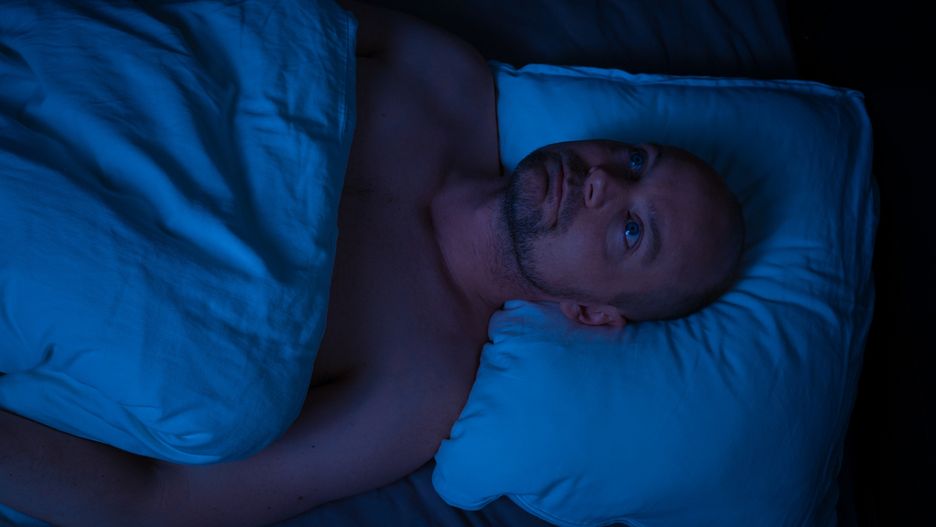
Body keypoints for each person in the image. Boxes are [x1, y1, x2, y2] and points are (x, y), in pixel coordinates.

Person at [0, 1, 743, 525]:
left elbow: (150, 502)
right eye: (637, 161)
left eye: (632, 230)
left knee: (232, 404)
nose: (602, 180)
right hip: (59, 75)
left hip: (50, 250)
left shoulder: (420, 391)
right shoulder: (446, 78)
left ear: (589, 313)